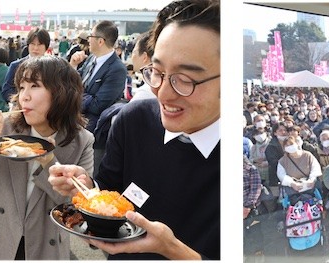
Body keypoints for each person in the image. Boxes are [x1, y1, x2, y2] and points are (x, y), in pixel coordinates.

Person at [46, 0, 220, 259]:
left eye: (185, 79)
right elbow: (111, 192)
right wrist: (90, 190)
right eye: (157, 71)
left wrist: (174, 251)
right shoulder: (133, 121)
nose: (164, 92)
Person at [0, 56, 93, 260]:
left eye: (34, 85)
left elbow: (74, 205)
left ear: (61, 92)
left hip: (44, 245)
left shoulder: (82, 141)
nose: (24, 96)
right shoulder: (5, 129)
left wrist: (48, 161)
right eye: (21, 87)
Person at [70, 21, 126, 133]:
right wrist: (73, 65)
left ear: (100, 41)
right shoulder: (91, 58)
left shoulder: (117, 69)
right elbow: (76, 81)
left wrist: (74, 97)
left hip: (93, 131)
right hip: (75, 124)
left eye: (91, 36)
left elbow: (98, 106)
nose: (88, 40)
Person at [0, 29, 53, 102]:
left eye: (39, 44)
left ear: (46, 47)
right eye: (33, 44)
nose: (35, 48)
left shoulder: (52, 67)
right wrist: (22, 99)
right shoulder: (16, 66)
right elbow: (6, 91)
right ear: (28, 45)